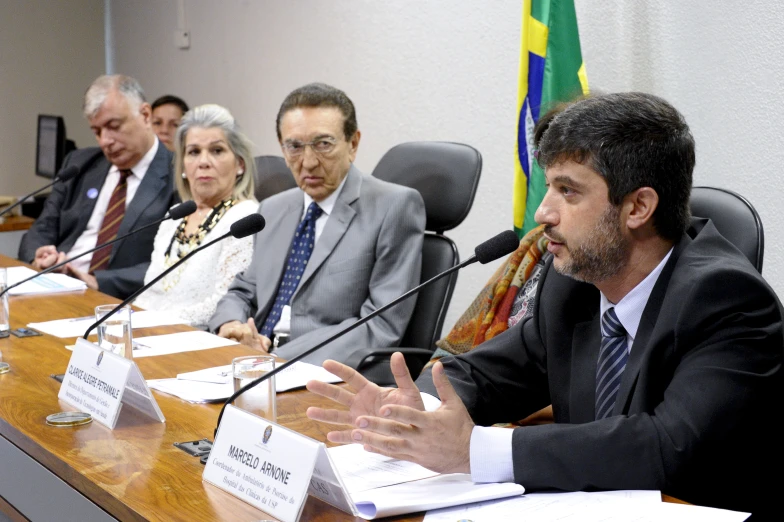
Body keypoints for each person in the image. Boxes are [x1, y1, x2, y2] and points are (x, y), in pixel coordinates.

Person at [306, 92, 783, 519]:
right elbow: (489, 374)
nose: (543, 213)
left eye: (568, 190)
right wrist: (417, 412)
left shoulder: (726, 301)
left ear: (638, 207)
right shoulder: (571, 286)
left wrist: (473, 450)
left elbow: (666, 447)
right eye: (548, 187)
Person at [208, 83, 426, 365]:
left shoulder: (394, 207)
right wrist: (232, 328)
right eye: (295, 147)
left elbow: (379, 325)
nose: (308, 162)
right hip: (250, 363)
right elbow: (243, 291)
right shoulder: (274, 208)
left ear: (353, 144)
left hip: (323, 373)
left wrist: (273, 359)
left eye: (323, 144)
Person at [18, 75, 177, 299]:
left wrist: (94, 280)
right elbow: (41, 228)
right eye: (97, 131)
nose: (105, 141)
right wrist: (40, 256)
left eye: (114, 127)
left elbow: (174, 263)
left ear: (145, 115)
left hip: (115, 300)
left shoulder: (178, 178)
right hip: (54, 288)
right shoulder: (79, 165)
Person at [134, 104, 257, 326]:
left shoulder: (243, 218)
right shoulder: (174, 218)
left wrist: (155, 323)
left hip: (197, 340)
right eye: (193, 152)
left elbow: (225, 301)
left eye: (217, 151)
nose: (203, 162)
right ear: (183, 166)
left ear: (239, 164)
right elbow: (149, 293)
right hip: (149, 333)